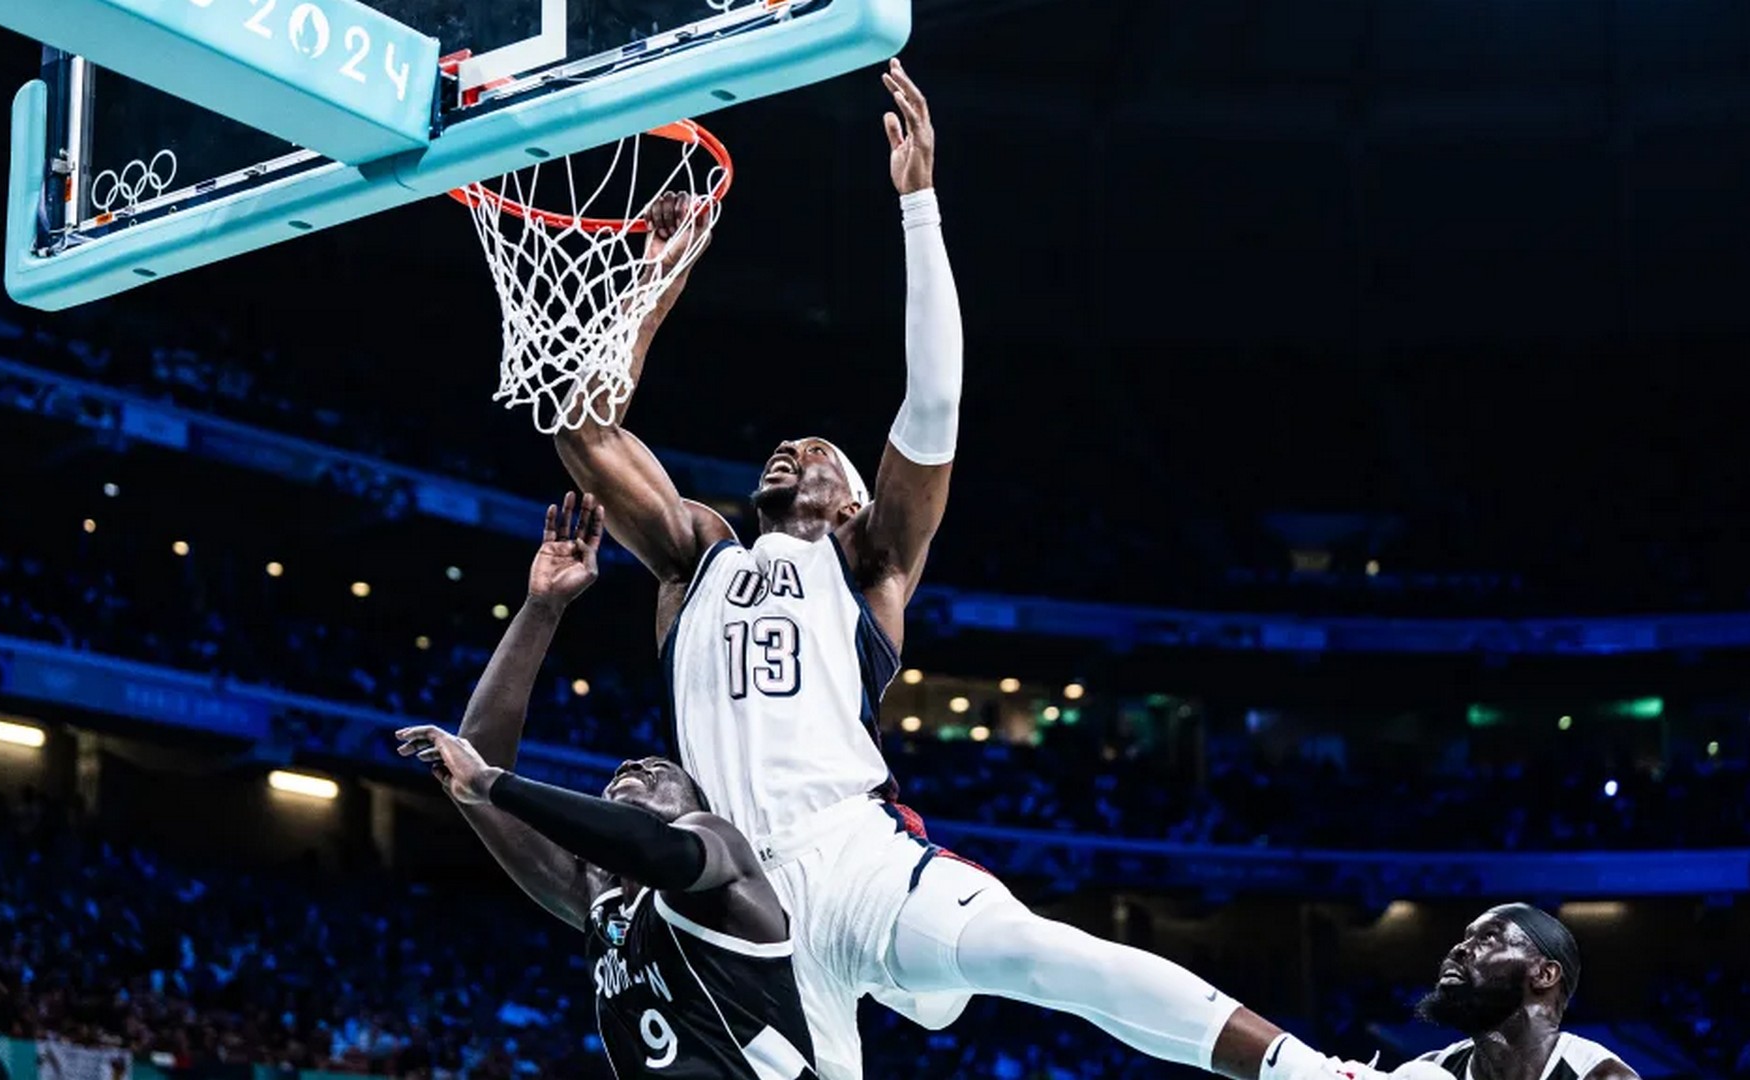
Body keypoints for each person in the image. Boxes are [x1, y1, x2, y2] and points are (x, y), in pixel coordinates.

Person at [552, 59, 1385, 1080]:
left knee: (1048, 956)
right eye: (787, 446)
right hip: (741, 902)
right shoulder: (696, 560)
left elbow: (935, 404)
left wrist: (919, 206)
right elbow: (581, 424)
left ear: (852, 501)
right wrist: (661, 272)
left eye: (817, 451)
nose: (793, 449)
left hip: (853, 857)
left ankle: (1316, 1072)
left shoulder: (867, 566)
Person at [394, 493, 816, 1080]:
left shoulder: (724, 860)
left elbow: (651, 846)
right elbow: (478, 765)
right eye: (629, 769)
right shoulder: (597, 900)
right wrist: (542, 607)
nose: (632, 764)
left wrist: (493, 783)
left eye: (660, 770)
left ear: (697, 804)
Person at [1403, 904, 1639, 1080]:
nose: (1459, 949)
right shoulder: (1432, 1070)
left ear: (1544, 974)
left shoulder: (1602, 1076)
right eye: (1466, 938)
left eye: (1488, 937)